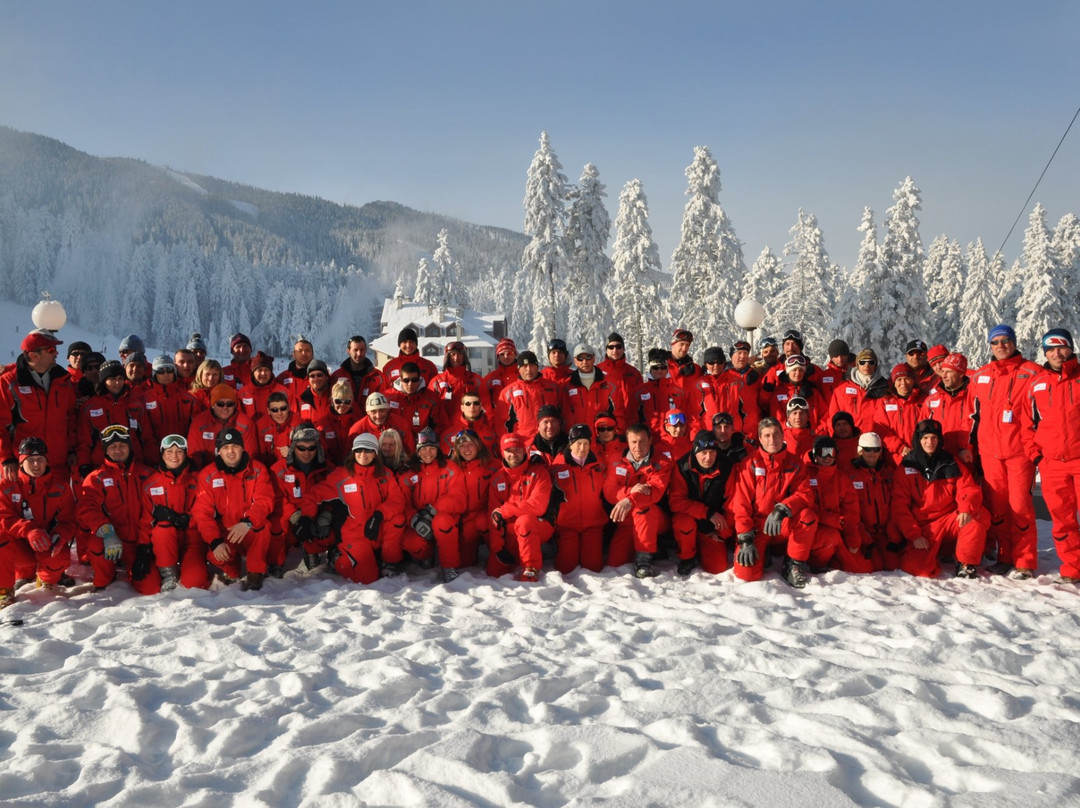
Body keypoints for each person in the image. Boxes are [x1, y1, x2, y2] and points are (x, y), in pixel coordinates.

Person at [969, 324, 1043, 579]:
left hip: (1019, 453)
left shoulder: (1032, 372)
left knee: (1020, 507)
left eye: (1005, 341)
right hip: (990, 454)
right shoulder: (980, 376)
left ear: (1013, 342)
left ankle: (1025, 561)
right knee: (998, 510)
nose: (1000, 346)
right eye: (995, 342)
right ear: (989, 346)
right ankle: (1005, 556)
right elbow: (971, 413)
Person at [891, 419, 989, 579]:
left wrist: (966, 507)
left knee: (977, 515)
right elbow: (899, 507)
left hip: (949, 519)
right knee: (918, 569)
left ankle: (966, 563)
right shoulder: (906, 467)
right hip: (924, 527)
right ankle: (936, 553)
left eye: (934, 438)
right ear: (918, 440)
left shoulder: (950, 461)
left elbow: (968, 488)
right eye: (925, 438)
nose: (930, 442)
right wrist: (914, 535)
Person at [1020, 328, 1080, 583]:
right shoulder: (1037, 384)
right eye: (1050, 349)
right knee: (1062, 521)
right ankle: (1072, 568)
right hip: (1052, 465)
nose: (1056, 353)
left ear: (1070, 348)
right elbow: (1026, 426)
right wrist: (1036, 457)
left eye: (1061, 347)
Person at [729, 417, 817, 587]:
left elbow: (806, 494)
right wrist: (745, 538)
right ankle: (764, 552)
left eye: (776, 434)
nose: (772, 439)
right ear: (760, 439)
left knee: (808, 516)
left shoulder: (795, 463)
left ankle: (793, 564)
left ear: (783, 435)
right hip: (757, 527)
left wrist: (783, 509)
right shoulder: (749, 464)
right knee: (746, 575)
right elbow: (741, 504)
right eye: (767, 435)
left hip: (782, 522)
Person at [309, 433, 406, 584]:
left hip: (376, 529)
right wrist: (305, 517)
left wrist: (379, 514)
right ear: (353, 452)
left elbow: (397, 500)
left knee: (397, 519)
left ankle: (389, 563)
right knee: (368, 578)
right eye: (359, 450)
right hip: (355, 534)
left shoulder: (385, 474)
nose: (363, 454)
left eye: (368, 450)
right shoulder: (341, 475)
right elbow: (314, 495)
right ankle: (337, 560)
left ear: (375, 453)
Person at [191, 426, 276, 591]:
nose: (231, 451)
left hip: (247, 527)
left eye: (235, 446)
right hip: (225, 530)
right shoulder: (207, 475)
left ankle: (255, 572)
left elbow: (264, 500)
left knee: (263, 527)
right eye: (225, 447)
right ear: (219, 451)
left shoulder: (258, 470)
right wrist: (215, 541)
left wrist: (248, 522)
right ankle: (232, 570)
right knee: (214, 553)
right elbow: (202, 512)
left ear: (243, 448)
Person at [77, 425, 157, 593]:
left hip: (139, 542)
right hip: (111, 539)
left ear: (129, 447)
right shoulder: (97, 477)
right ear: (106, 450)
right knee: (95, 543)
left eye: (122, 445)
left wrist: (145, 546)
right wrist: (106, 530)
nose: (118, 450)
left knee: (151, 587)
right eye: (113, 447)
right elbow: (86, 507)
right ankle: (104, 578)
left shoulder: (146, 474)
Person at [0, 437, 77, 607]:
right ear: (21, 463)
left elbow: (69, 520)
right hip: (21, 547)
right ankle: (4, 591)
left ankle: (44, 577)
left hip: (46, 544)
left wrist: (60, 535)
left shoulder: (61, 487)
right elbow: (3, 517)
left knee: (59, 558)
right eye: (31, 460)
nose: (36, 465)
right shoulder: (7, 486)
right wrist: (28, 530)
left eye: (40, 460)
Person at [0, 328, 78, 481]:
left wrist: (72, 450)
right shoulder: (8, 383)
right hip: (23, 466)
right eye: (51, 350)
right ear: (34, 355)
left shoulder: (63, 381)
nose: (56, 353)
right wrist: (6, 458)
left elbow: (71, 418)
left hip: (58, 465)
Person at [140, 434, 210, 591]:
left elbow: (204, 509)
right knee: (163, 527)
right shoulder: (150, 484)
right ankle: (168, 572)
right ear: (162, 454)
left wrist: (188, 520)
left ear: (185, 454)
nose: (174, 456)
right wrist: (143, 549)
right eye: (169, 451)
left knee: (195, 582)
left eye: (179, 451)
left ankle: (190, 566)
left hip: (192, 539)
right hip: (165, 541)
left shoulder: (197, 480)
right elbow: (145, 520)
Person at [487, 432, 560, 582]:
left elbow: (538, 506)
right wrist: (498, 548)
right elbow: (493, 515)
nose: (513, 454)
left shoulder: (539, 472)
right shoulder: (497, 479)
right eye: (508, 451)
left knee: (524, 521)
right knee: (494, 572)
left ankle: (530, 567)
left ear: (524, 451)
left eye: (517, 450)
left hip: (539, 524)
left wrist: (506, 510)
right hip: (510, 530)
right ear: (502, 452)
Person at [398, 428, 467, 582]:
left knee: (442, 522)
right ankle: (426, 555)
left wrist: (434, 510)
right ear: (417, 451)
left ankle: (450, 567)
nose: (428, 453)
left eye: (431, 449)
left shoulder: (450, 468)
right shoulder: (409, 471)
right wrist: (413, 518)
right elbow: (403, 501)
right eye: (423, 449)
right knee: (411, 542)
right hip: (420, 517)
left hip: (443, 516)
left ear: (438, 450)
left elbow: (459, 499)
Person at [603, 423, 672, 578]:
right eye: (634, 442)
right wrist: (630, 492)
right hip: (627, 520)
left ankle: (644, 561)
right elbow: (609, 491)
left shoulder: (661, 463)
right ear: (627, 442)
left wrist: (629, 501)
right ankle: (652, 547)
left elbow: (654, 492)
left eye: (642, 441)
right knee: (615, 562)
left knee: (644, 509)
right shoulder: (617, 461)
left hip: (655, 518)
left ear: (650, 441)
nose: (638, 446)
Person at [801, 435, 873, 575]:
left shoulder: (842, 479)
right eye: (823, 452)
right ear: (815, 455)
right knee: (831, 536)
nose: (827, 457)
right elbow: (804, 507)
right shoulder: (805, 476)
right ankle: (817, 563)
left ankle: (834, 560)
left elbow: (851, 512)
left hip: (839, 528)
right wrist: (832, 520)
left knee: (863, 568)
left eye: (831, 452)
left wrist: (852, 536)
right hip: (812, 530)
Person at [273, 425, 335, 575]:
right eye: (301, 448)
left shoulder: (328, 469)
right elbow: (278, 498)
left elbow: (336, 497)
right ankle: (274, 562)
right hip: (291, 515)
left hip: (317, 513)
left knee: (337, 525)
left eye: (311, 448)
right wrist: (295, 516)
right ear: (293, 447)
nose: (307, 453)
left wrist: (326, 515)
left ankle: (327, 552)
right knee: (275, 527)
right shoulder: (278, 470)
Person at [668, 430, 732, 576]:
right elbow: (675, 502)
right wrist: (707, 513)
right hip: (694, 518)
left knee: (717, 568)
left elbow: (732, 502)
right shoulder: (683, 466)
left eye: (712, 452)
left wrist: (723, 534)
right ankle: (687, 557)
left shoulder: (727, 467)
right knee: (683, 522)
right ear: (695, 451)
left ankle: (706, 543)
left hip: (714, 524)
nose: (708, 457)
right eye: (703, 452)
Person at [77, 359, 155, 473]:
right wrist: (84, 464)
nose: (117, 383)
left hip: (133, 465)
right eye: (112, 379)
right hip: (101, 466)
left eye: (120, 379)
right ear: (104, 380)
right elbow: (83, 441)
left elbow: (147, 437)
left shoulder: (135, 404)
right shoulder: (90, 406)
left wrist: (153, 462)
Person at [550, 424, 609, 574]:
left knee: (593, 567)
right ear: (571, 444)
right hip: (567, 525)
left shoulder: (600, 465)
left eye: (586, 444)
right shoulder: (558, 466)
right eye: (578, 444)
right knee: (565, 568)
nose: (582, 448)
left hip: (593, 524)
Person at [847, 431, 898, 570]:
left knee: (893, 565)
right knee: (873, 566)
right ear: (860, 450)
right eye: (867, 449)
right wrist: (863, 535)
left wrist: (893, 532)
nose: (872, 453)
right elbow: (849, 511)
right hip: (864, 532)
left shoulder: (889, 473)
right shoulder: (851, 475)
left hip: (884, 532)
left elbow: (897, 504)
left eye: (876, 449)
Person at [449, 429, 499, 570]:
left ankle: (496, 552)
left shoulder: (493, 465)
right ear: (457, 449)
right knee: (465, 563)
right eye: (462, 446)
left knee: (498, 563)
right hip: (465, 520)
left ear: (478, 445)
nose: (467, 449)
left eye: (470, 444)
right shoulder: (452, 468)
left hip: (486, 516)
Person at [186, 384, 259, 469]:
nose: (225, 408)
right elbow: (194, 455)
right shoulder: (199, 422)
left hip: (238, 472)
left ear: (235, 405)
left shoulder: (246, 423)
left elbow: (250, 455)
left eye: (230, 404)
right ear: (213, 405)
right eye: (220, 404)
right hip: (207, 473)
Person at [920, 353, 974, 464]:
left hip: (966, 457)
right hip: (939, 459)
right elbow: (921, 430)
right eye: (943, 371)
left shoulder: (974, 397)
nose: (943, 376)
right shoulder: (931, 401)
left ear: (960, 373)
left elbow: (975, 424)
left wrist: (965, 447)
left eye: (948, 372)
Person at [560, 343, 625, 433]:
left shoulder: (608, 383)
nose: (585, 362)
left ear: (594, 358)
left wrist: (615, 433)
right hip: (578, 439)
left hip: (602, 437)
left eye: (588, 357)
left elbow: (619, 411)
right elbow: (564, 415)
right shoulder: (567, 386)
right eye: (580, 358)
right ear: (575, 361)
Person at [497, 351, 561, 439]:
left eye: (532, 365)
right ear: (518, 369)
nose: (529, 369)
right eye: (524, 366)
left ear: (537, 367)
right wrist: (508, 443)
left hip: (549, 440)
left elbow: (563, 414)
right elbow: (500, 423)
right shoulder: (508, 392)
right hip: (522, 442)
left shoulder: (553, 388)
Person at [142, 355, 198, 455]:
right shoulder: (145, 399)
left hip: (182, 453)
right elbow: (145, 433)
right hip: (155, 454)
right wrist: (153, 455)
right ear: (154, 374)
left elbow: (195, 431)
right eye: (161, 371)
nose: (166, 374)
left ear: (174, 373)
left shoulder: (188, 399)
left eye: (169, 370)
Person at [873, 363, 925, 464]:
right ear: (894, 382)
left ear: (913, 381)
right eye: (899, 380)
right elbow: (881, 430)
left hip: (920, 456)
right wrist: (900, 447)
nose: (903, 383)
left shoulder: (923, 401)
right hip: (895, 458)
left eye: (907, 379)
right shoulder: (885, 403)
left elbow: (929, 427)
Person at [828, 348, 890, 433]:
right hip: (850, 441)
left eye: (870, 362)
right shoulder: (841, 390)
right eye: (862, 362)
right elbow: (833, 418)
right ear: (857, 365)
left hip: (878, 441)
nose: (866, 365)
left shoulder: (887, 388)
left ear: (875, 365)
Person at [629, 349, 686, 438]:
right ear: (650, 368)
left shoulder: (678, 392)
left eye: (662, 367)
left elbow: (686, 418)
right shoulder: (638, 392)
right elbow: (632, 419)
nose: (659, 370)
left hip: (671, 440)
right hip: (648, 440)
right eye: (655, 367)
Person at [430, 341, 483, 422]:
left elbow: (486, 406)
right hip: (444, 428)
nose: (456, 358)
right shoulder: (436, 382)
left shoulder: (476, 380)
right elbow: (429, 407)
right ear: (447, 357)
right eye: (452, 354)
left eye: (459, 354)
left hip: (469, 428)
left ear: (464, 356)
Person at [349, 391, 414, 452]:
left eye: (382, 410)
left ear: (387, 410)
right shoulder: (357, 430)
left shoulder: (401, 424)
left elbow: (410, 453)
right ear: (367, 412)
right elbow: (349, 457)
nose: (378, 416)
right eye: (373, 411)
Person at [238, 352, 290, 423]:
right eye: (259, 370)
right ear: (253, 373)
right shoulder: (242, 394)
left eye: (266, 370)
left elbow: (292, 417)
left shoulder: (284, 392)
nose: (263, 373)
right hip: (250, 432)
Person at [331, 335, 385, 402]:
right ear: (348, 351)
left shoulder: (378, 377)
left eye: (362, 350)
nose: (359, 353)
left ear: (365, 350)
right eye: (355, 350)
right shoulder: (337, 376)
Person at [318, 379, 360, 464]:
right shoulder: (323, 424)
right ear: (332, 400)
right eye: (338, 401)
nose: (342, 405)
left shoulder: (358, 422)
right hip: (330, 469)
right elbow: (321, 453)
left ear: (352, 401)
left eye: (347, 402)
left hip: (352, 468)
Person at [257, 391, 301, 468]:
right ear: (268, 411)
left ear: (289, 408)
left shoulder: (299, 424)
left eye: (283, 408)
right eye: (274, 410)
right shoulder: (261, 426)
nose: (279, 413)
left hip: (292, 468)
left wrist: (293, 453)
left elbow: (308, 453)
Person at [596, 332, 643, 403]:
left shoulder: (634, 373)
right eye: (611, 347)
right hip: (606, 414)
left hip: (629, 414)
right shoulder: (597, 371)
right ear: (606, 350)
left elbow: (641, 399)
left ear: (623, 349)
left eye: (618, 347)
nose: (615, 350)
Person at [482, 338, 520, 415]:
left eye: (509, 353)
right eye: (502, 354)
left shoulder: (523, 376)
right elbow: (484, 403)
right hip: (498, 421)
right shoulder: (490, 378)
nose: (506, 357)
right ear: (498, 356)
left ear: (515, 354)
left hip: (520, 421)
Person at [296, 359, 334, 424]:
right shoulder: (302, 399)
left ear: (327, 377)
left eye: (319, 375)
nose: (316, 379)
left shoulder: (337, 397)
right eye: (312, 376)